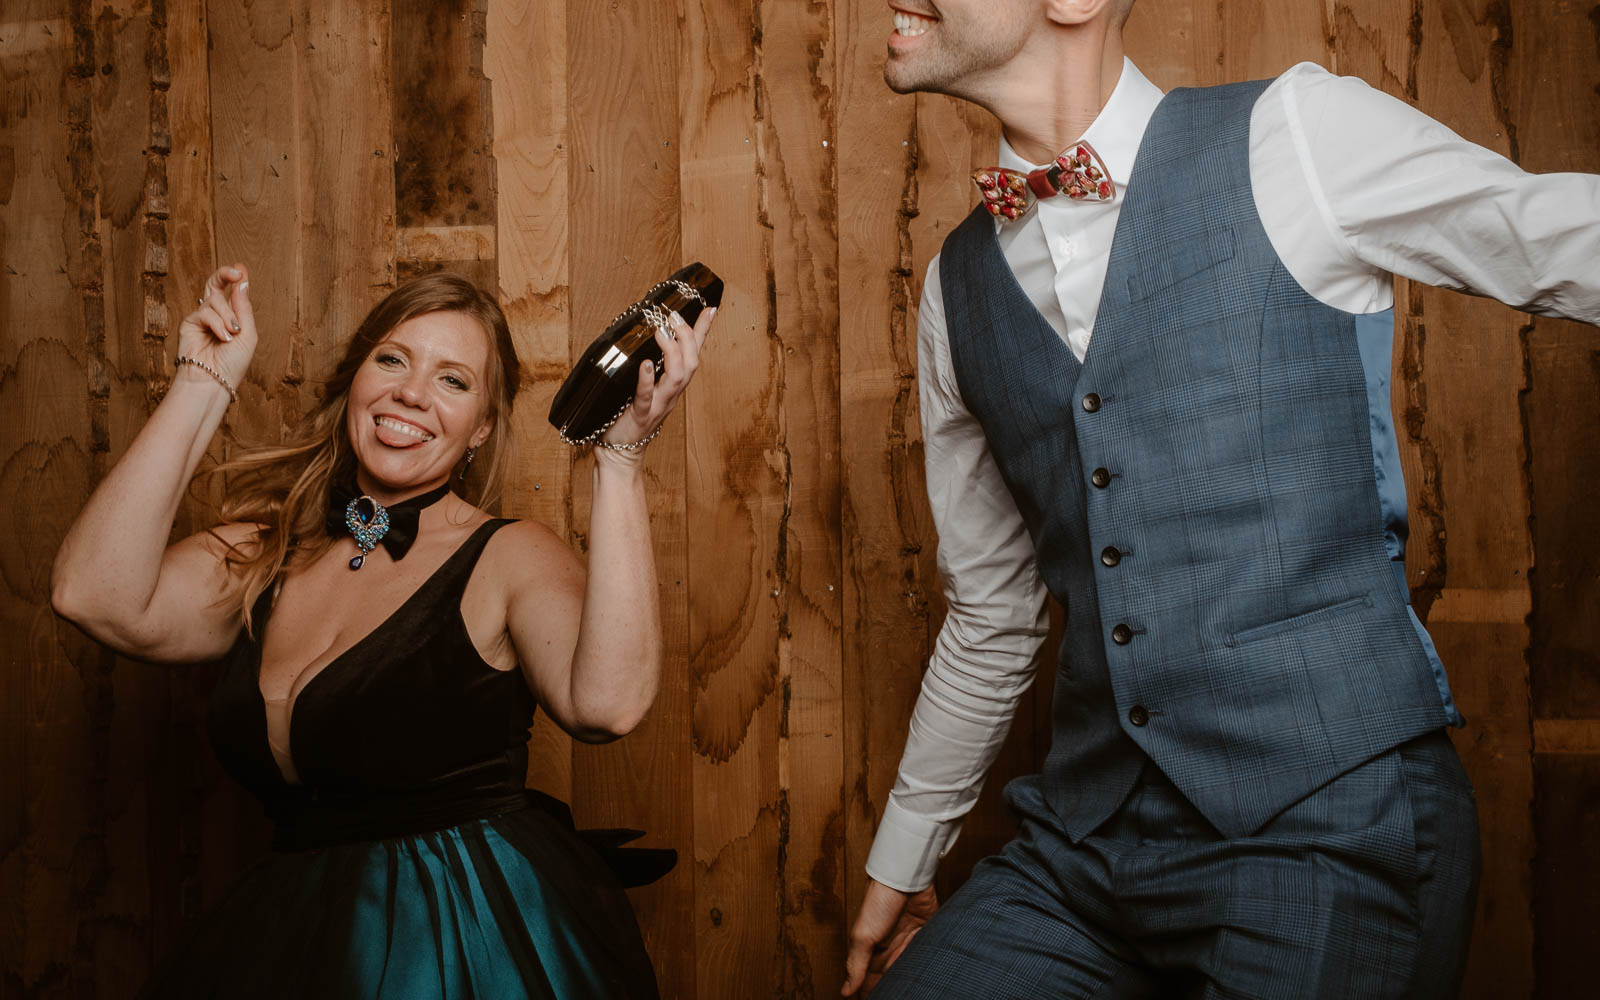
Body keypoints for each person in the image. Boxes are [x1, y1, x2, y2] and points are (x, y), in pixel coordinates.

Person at [845, 2, 1599, 998]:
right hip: (1081, 848)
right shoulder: (957, 286)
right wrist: (902, 857)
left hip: (1329, 828)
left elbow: (1564, 241)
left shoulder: (1298, 136)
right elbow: (993, 611)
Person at [51, 264, 714, 998]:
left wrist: (618, 461)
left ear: (481, 430)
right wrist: (204, 381)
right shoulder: (264, 553)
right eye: (392, 359)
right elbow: (93, 595)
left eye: (454, 381)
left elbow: (607, 706)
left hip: (463, 946)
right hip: (295, 937)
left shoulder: (506, 556)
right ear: (353, 383)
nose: (411, 392)